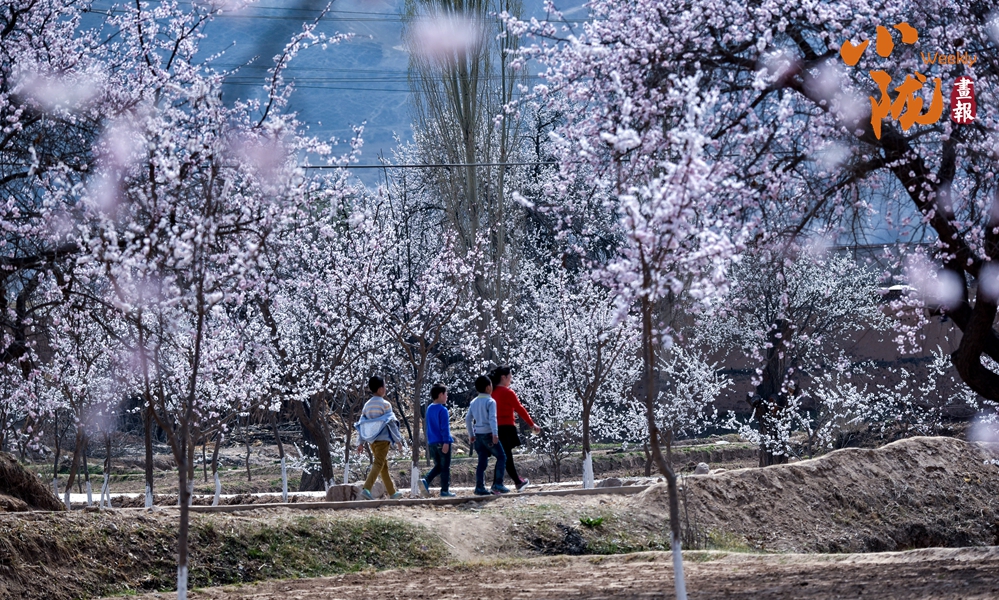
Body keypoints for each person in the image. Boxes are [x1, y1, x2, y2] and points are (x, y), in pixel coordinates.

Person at [490, 366, 541, 491]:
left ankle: (501, 483)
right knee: (505, 456)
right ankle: (515, 482)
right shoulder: (508, 392)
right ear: (503, 377)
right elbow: (519, 408)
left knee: (503, 456)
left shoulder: (492, 392)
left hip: (494, 428)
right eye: (510, 376)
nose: (511, 379)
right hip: (506, 427)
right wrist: (531, 424)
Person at [355, 375, 404, 500]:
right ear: (381, 389)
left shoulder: (367, 405)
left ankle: (392, 492)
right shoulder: (385, 404)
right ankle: (367, 488)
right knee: (378, 464)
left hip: (372, 440)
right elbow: (391, 424)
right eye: (385, 386)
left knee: (383, 466)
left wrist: (360, 443)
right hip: (383, 440)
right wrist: (398, 440)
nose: (386, 388)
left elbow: (363, 425)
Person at [465, 375, 510, 495]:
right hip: (488, 434)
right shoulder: (490, 401)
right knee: (501, 457)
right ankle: (498, 484)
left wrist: (471, 434)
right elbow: (492, 419)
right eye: (490, 384)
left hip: (478, 436)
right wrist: (495, 433)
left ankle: (479, 487)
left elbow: (468, 419)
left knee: (482, 462)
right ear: (487, 387)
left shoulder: (473, 402)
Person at [421, 383, 456, 497]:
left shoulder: (429, 408)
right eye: (446, 394)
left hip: (432, 442)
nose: (447, 396)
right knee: (445, 467)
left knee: (439, 466)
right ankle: (444, 490)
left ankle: (426, 481)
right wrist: (446, 441)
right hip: (442, 442)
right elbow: (444, 428)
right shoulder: (443, 410)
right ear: (441, 395)